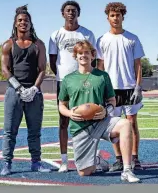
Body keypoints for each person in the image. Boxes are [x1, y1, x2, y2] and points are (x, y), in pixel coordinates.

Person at [58, 40, 140, 183]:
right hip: (80, 127)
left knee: (126, 124)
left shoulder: (102, 76)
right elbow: (61, 105)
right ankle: (96, 159)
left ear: (92, 55)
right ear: (75, 56)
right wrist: (70, 113)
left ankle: (127, 170)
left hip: (102, 121)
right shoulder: (68, 79)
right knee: (85, 173)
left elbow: (112, 101)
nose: (83, 55)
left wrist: (106, 111)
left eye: (86, 52)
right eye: (80, 53)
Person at [0, 5, 50, 175]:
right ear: (15, 23)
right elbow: (5, 69)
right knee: (9, 130)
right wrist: (19, 88)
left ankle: (36, 162)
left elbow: (43, 69)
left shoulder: (39, 44)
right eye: (20, 20)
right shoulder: (8, 44)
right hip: (14, 93)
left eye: (26, 20)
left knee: (34, 131)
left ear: (30, 23)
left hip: (34, 94)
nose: (23, 23)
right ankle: (6, 163)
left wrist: (35, 88)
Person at [49, 0, 97, 172]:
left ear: (78, 13)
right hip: (65, 82)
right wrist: (66, 77)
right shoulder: (56, 34)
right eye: (68, 10)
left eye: (74, 10)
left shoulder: (87, 34)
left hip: (85, 80)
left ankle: (92, 158)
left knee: (89, 118)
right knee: (64, 121)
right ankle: (64, 160)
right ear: (63, 13)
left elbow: (94, 57)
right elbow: (53, 61)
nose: (71, 13)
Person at [96, 2, 145, 171]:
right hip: (111, 89)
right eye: (112, 15)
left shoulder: (132, 38)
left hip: (130, 87)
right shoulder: (102, 40)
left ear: (123, 16)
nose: (115, 18)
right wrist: (99, 87)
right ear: (107, 18)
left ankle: (134, 158)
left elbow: (137, 64)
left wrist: (138, 86)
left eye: (118, 15)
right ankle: (118, 159)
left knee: (131, 123)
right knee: (114, 125)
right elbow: (100, 66)